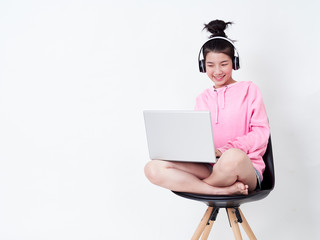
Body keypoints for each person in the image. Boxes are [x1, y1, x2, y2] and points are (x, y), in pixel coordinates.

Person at [144, 20, 270, 195]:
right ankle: (220, 191)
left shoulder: (250, 90)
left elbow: (261, 134)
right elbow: (198, 138)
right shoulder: (202, 98)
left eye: (224, 64)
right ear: (203, 66)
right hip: (209, 167)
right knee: (153, 168)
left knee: (232, 157)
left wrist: (223, 151)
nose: (217, 71)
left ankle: (201, 187)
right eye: (210, 65)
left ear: (234, 62)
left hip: (243, 166)